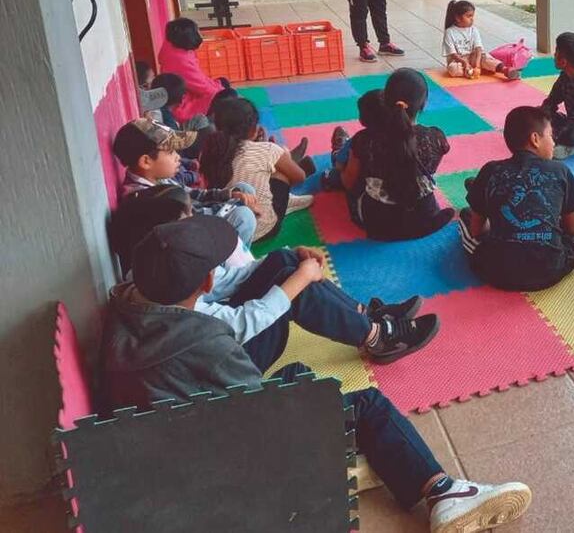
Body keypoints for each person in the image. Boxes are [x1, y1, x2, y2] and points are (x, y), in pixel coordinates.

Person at [97, 217, 529, 533]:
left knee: (292, 310)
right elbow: (253, 408)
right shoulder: (205, 338)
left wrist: (292, 272)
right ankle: (444, 492)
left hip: (179, 425)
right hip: (220, 456)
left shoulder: (130, 299)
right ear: (209, 280)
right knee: (365, 404)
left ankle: (368, 324)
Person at [458, 106, 574, 291]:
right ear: (535, 139)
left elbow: (477, 230)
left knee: (466, 216)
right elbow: (572, 228)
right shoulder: (560, 170)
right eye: (550, 136)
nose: (553, 141)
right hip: (550, 271)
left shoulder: (490, 169)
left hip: (497, 272)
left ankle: (481, 192)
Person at [113, 118, 259, 247]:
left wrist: (229, 195)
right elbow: (197, 219)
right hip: (190, 244)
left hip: (196, 222)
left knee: (244, 190)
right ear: (146, 161)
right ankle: (227, 269)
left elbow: (194, 194)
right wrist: (235, 205)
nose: (178, 157)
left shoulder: (157, 177)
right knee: (244, 217)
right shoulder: (148, 199)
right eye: (171, 152)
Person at [349, 69, 455, 240]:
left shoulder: (365, 140)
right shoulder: (436, 138)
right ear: (423, 103)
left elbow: (350, 180)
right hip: (424, 218)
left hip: (378, 225)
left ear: (386, 100)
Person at [200, 98, 313, 243]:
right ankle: (289, 165)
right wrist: (269, 149)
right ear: (253, 129)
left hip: (231, 226)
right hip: (263, 228)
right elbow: (300, 177)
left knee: (266, 163)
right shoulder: (266, 150)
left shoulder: (209, 150)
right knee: (279, 166)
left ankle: (288, 158)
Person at [158, 17, 231, 123]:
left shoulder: (173, 47)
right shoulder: (179, 60)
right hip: (183, 108)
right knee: (228, 94)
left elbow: (200, 79)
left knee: (223, 83)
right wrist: (221, 89)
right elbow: (202, 87)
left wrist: (218, 85)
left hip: (188, 95)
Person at [442, 0, 521, 80]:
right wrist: (465, 63)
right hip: (459, 60)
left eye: (472, 16)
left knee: (486, 58)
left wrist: (477, 65)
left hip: (474, 57)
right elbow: (453, 54)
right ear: (458, 18)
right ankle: (475, 71)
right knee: (453, 69)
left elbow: (478, 49)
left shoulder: (474, 30)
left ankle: (505, 70)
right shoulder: (449, 32)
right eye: (469, 16)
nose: (472, 19)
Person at [324, 89, 384, 193]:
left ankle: (337, 150)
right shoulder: (407, 138)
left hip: (363, 190)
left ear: (362, 120)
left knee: (330, 173)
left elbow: (340, 166)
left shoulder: (359, 140)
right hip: (390, 189)